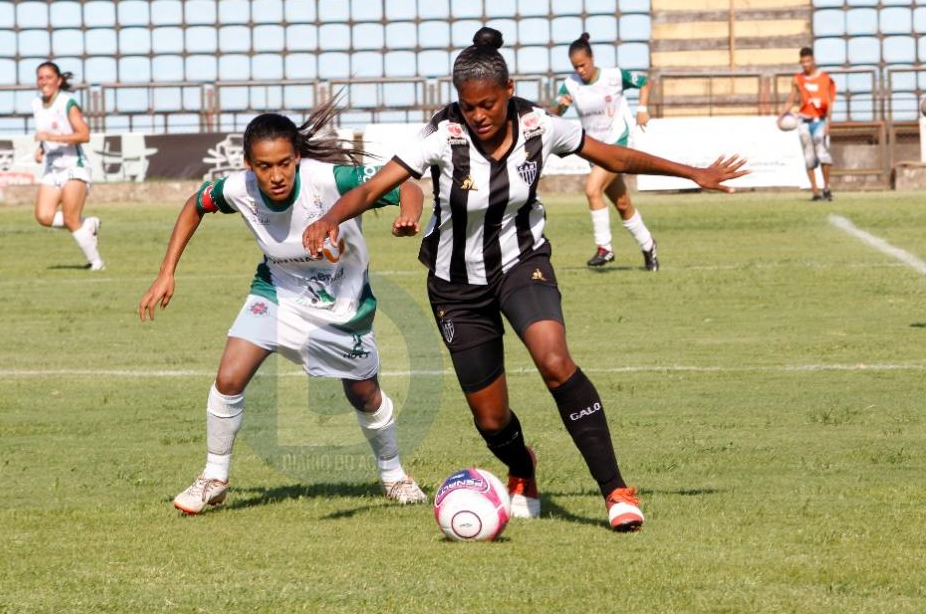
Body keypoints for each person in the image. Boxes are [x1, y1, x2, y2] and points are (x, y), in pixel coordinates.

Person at [302, 27, 747, 531]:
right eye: (469, 107)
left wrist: (693, 172)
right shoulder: (441, 136)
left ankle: (616, 492)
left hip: (522, 263)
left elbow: (613, 157)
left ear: (508, 91)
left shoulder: (540, 126)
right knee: (491, 419)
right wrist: (330, 218)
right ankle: (521, 468)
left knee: (555, 362)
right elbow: (379, 185)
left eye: (488, 104)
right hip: (456, 287)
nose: (479, 115)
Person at [138, 104, 428, 514]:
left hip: (342, 305)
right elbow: (195, 204)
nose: (275, 176)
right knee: (229, 376)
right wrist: (166, 272)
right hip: (276, 293)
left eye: (284, 163)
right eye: (264, 166)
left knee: (363, 394)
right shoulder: (239, 189)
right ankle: (214, 477)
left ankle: (394, 474)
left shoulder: (328, 179)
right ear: (248, 165)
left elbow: (405, 187)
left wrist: (408, 216)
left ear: (297, 157)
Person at [551, 32, 659, 270]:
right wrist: (561, 105)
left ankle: (605, 248)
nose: (580, 70)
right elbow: (553, 114)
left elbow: (643, 82)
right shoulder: (570, 84)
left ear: (592, 59)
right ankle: (649, 245)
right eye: (575, 66)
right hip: (595, 151)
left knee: (592, 189)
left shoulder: (614, 76)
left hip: (617, 143)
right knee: (623, 205)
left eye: (583, 65)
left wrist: (642, 108)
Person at [31, 61, 104, 271]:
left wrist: (50, 137)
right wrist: (42, 148)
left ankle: (96, 263)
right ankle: (87, 224)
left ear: (59, 80)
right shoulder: (36, 103)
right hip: (52, 167)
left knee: (71, 218)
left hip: (74, 165)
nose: (44, 81)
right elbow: (44, 133)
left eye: (48, 77)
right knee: (44, 217)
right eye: (40, 77)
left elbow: (84, 134)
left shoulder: (67, 102)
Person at [780, 47, 835, 201]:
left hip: (820, 120)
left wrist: (828, 122)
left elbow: (829, 102)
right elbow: (791, 99)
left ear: (813, 61)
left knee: (823, 154)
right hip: (804, 121)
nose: (805, 64)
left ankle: (827, 187)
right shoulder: (798, 79)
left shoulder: (825, 78)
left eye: (808, 61)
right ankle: (815, 191)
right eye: (803, 62)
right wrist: (782, 115)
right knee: (809, 156)